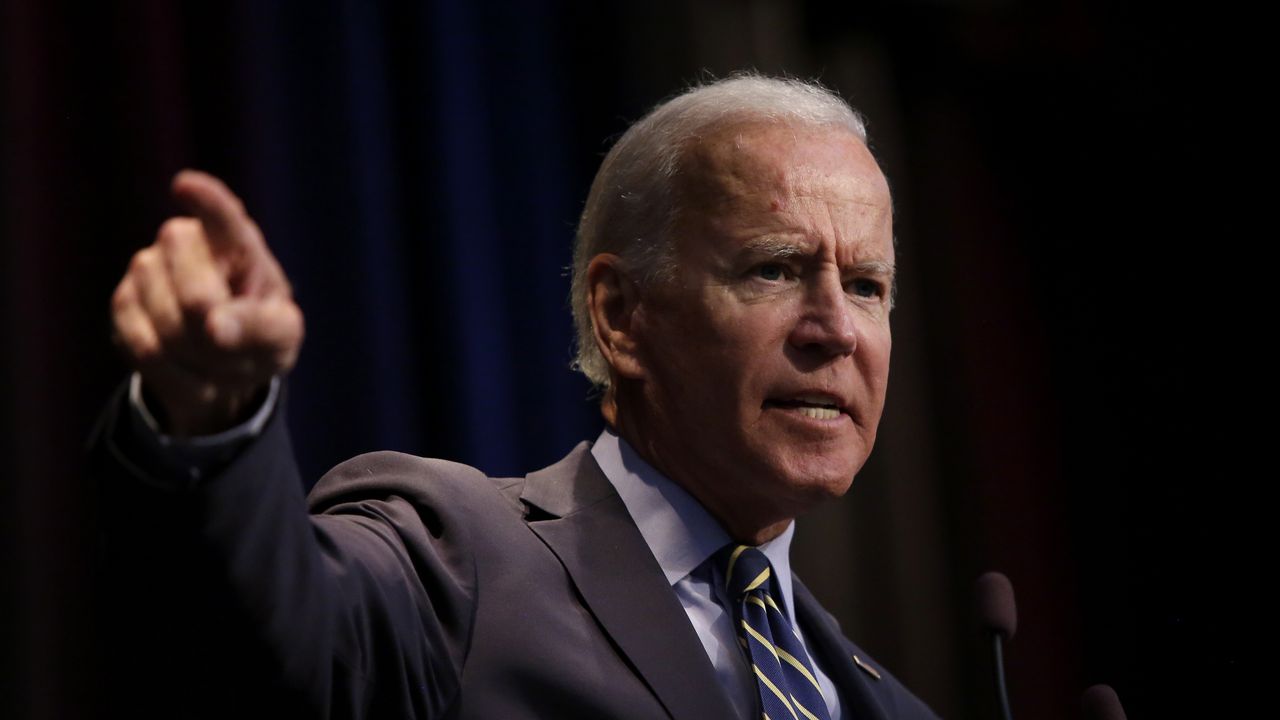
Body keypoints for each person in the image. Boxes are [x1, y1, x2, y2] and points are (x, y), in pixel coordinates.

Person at [95, 74, 939, 719]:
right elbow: (267, 650)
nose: (836, 329)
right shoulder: (456, 558)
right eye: (775, 270)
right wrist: (211, 415)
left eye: (867, 285)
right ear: (622, 316)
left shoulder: (885, 702)